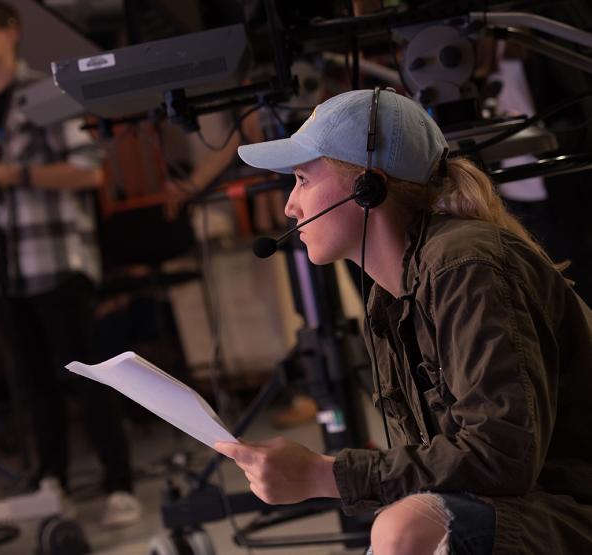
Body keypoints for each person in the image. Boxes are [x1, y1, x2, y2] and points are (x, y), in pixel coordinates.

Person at [214, 88, 592, 554]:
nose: (290, 206)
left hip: (572, 511)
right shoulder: (390, 299)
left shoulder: (463, 265)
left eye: (302, 180)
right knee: (405, 522)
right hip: (537, 510)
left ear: (366, 187)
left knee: (405, 529)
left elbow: (501, 456)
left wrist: (324, 474)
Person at [0, 1, 140, 527]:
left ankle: (119, 483)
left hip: (56, 259)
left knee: (87, 377)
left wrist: (21, 177)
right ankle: (52, 481)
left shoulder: (45, 92)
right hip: (3, 266)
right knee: (33, 385)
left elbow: (88, 170)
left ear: (10, 32)